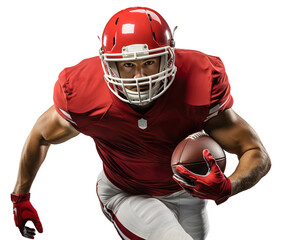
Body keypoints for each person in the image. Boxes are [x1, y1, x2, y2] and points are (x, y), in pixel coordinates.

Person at [11, 6, 271, 240]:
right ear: (108, 65)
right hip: (126, 192)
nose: (139, 76)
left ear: (169, 57)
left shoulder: (198, 81)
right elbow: (41, 136)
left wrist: (228, 186)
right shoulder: (83, 92)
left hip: (188, 193)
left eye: (148, 62)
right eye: (126, 65)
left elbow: (255, 152)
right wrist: (20, 198)